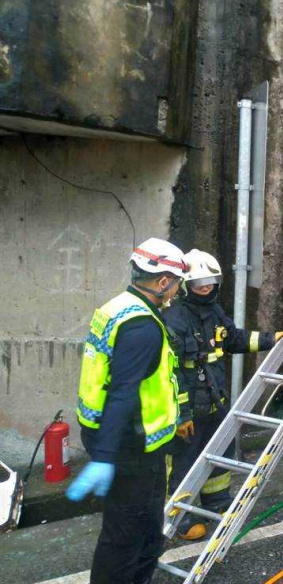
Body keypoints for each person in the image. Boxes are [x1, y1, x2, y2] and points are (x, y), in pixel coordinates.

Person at [67, 238, 188, 584]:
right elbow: (122, 392)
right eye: (176, 283)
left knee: (147, 536)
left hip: (120, 439)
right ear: (163, 282)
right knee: (125, 541)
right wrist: (105, 457)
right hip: (131, 448)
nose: (176, 291)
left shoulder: (116, 308)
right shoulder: (143, 328)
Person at [163, 249, 277, 540]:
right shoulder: (174, 318)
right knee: (184, 463)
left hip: (216, 402)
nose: (206, 287)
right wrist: (182, 416)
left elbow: (235, 339)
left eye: (211, 281)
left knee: (219, 454)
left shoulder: (214, 311)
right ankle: (180, 518)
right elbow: (172, 374)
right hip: (190, 410)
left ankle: (217, 502)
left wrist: (271, 340)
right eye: (200, 283)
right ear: (187, 284)